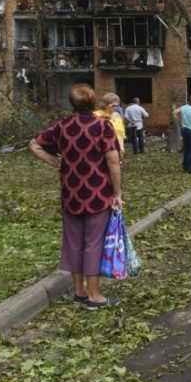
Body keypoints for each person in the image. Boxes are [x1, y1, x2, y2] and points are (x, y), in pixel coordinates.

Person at [28, 83, 122, 310]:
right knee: (93, 244)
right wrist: (117, 192)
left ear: (72, 103)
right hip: (98, 193)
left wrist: (56, 163)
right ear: (93, 102)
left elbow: (34, 145)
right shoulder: (103, 127)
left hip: (71, 194)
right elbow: (112, 160)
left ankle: (79, 292)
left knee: (73, 243)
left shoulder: (62, 127)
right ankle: (94, 296)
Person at [95, 92, 126, 158]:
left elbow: (120, 133)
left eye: (117, 105)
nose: (115, 108)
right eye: (113, 105)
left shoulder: (117, 116)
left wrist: (121, 147)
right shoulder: (96, 115)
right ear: (105, 104)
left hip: (116, 149)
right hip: (101, 150)